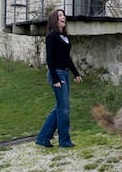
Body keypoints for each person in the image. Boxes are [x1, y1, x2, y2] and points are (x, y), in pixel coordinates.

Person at [36, 9, 83, 148]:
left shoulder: (65, 36)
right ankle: (64, 141)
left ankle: (43, 138)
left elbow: (67, 57)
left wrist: (76, 73)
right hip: (56, 74)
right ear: (54, 20)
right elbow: (49, 59)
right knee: (64, 109)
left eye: (63, 15)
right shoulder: (52, 36)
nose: (63, 17)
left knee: (60, 107)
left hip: (65, 73)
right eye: (60, 16)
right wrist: (55, 79)